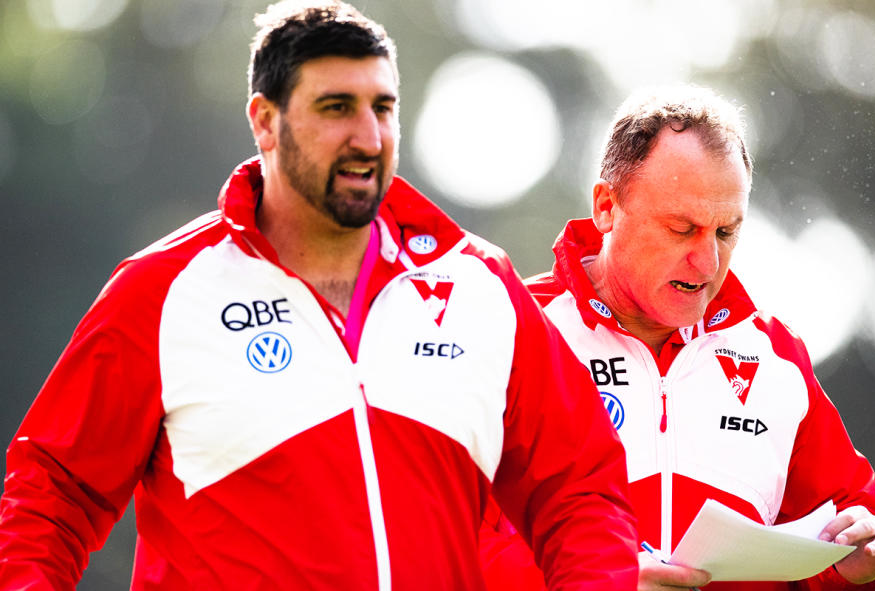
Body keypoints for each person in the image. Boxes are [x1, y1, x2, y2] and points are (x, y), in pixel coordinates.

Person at [0, 2, 641, 589]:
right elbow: (52, 495)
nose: (368, 137)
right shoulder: (164, 288)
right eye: (336, 107)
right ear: (266, 122)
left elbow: (579, 491)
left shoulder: (480, 283)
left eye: (382, 107)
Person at [481, 86, 875, 591]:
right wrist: (596, 576)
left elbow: (855, 529)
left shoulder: (775, 355)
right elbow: (436, 538)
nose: (707, 262)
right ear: (607, 207)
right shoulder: (512, 331)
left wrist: (860, 564)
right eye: (682, 229)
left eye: (726, 233)